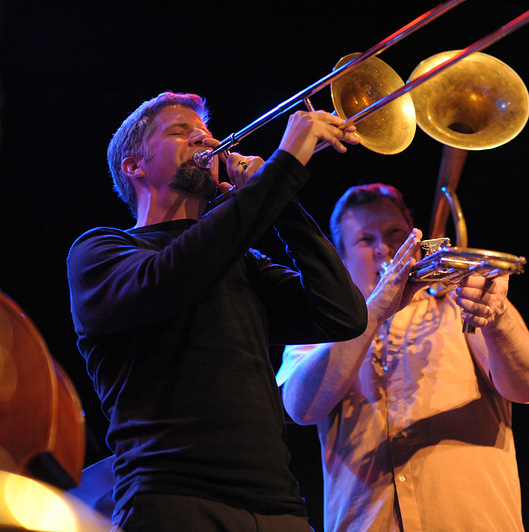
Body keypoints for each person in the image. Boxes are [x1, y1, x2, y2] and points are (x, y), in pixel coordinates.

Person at [66, 91, 369, 532]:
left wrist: (284, 205)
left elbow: (342, 314)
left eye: (205, 133)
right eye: (179, 132)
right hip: (172, 500)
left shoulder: (240, 261)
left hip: (280, 507)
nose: (204, 141)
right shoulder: (102, 250)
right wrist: (282, 168)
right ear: (134, 166)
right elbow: (172, 279)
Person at [276, 183, 529, 531]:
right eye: (366, 240)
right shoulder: (322, 324)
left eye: (395, 233)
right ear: (342, 258)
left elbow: (527, 386)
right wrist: (373, 313)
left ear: (414, 240)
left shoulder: (460, 300)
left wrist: (498, 319)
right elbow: (300, 408)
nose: (384, 249)